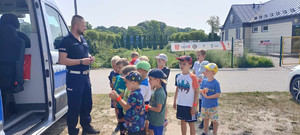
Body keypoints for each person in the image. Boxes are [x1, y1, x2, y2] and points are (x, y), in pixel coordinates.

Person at [58, 15, 99, 135]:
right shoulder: (66, 40)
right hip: (74, 77)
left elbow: (84, 53)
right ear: (76, 25)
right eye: (83, 26)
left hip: (85, 77)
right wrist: (81, 61)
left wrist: (89, 58)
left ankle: (86, 127)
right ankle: (73, 130)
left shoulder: (83, 39)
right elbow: (62, 60)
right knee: (74, 106)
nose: (85, 28)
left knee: (87, 103)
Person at [173, 55, 199, 135]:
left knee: (191, 123)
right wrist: (174, 101)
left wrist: (194, 106)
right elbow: (177, 89)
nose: (181, 65)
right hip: (180, 104)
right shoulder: (178, 76)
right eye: (180, 63)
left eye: (184, 64)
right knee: (182, 121)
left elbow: (196, 92)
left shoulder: (193, 77)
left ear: (190, 65)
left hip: (190, 105)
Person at [200, 63, 221, 135]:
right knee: (205, 119)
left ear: (213, 73)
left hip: (213, 106)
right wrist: (203, 91)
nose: (205, 71)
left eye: (208, 70)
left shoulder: (216, 83)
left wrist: (208, 97)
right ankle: (205, 132)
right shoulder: (204, 81)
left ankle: (214, 133)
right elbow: (199, 90)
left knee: (215, 121)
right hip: (204, 105)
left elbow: (217, 94)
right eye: (205, 70)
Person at [192, 50, 210, 129]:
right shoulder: (196, 63)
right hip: (197, 84)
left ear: (204, 55)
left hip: (204, 86)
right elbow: (193, 72)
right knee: (196, 100)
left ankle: (204, 120)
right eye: (197, 55)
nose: (197, 57)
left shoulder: (207, 64)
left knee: (204, 103)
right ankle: (196, 114)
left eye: (199, 55)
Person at [146, 69, 167, 135]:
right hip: (153, 119)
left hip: (157, 121)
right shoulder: (156, 90)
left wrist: (147, 107)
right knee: (150, 131)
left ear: (157, 80)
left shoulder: (160, 93)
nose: (149, 81)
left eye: (150, 79)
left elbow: (158, 109)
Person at [114, 58, 130, 135]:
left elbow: (126, 91)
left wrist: (116, 97)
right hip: (118, 104)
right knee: (120, 121)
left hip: (125, 104)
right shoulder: (117, 78)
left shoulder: (128, 80)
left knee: (127, 121)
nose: (117, 69)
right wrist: (114, 101)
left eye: (120, 67)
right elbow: (115, 89)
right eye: (117, 67)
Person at [136, 61, 151, 133]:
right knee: (146, 119)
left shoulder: (143, 84)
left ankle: (144, 132)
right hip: (147, 102)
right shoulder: (147, 80)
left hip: (143, 103)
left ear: (141, 71)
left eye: (137, 70)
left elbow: (140, 96)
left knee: (144, 120)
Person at [155, 53, 170, 127]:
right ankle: (159, 118)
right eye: (157, 60)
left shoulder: (166, 70)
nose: (158, 61)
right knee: (157, 104)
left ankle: (165, 119)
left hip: (163, 90)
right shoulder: (157, 69)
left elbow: (162, 76)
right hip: (156, 89)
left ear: (164, 61)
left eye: (159, 60)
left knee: (164, 105)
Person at [108, 56, 121, 132]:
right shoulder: (112, 73)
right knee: (116, 109)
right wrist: (111, 84)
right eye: (113, 66)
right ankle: (119, 122)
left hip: (121, 94)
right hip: (114, 93)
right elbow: (110, 81)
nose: (114, 68)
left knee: (122, 109)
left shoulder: (123, 73)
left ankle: (124, 122)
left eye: (116, 66)